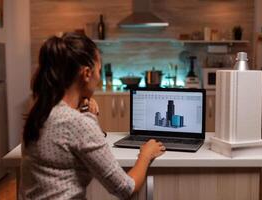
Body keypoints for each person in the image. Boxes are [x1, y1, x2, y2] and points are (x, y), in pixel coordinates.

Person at [20, 32, 165, 199]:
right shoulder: (77, 123)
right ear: (87, 73)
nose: (98, 77)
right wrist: (146, 154)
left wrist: (84, 115)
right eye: (99, 70)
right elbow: (126, 188)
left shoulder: (40, 111)